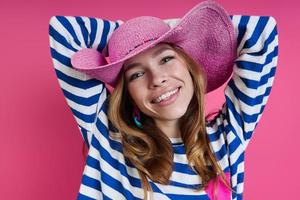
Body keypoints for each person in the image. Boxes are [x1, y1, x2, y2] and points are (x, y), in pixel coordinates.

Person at [49, 1, 278, 199]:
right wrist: (127, 36)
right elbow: (63, 29)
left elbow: (261, 33)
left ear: (190, 66)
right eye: (136, 74)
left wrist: (171, 30)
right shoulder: (108, 137)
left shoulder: (228, 137)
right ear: (127, 92)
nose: (157, 79)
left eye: (166, 58)